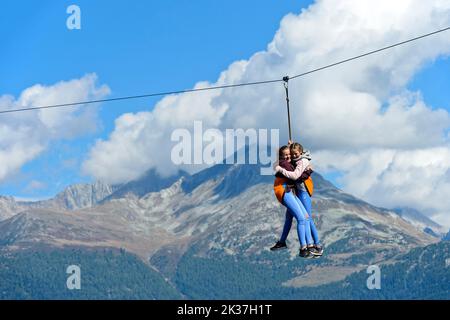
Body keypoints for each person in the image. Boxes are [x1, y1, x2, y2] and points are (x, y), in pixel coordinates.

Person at [273, 142, 323, 256]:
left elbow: (297, 172)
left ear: (300, 152)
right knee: (300, 218)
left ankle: (313, 245)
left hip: (298, 192)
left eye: (290, 154)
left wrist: (308, 171)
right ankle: (307, 245)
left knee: (301, 218)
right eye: (287, 155)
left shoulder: (299, 161)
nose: (290, 156)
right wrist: (309, 171)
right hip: (292, 192)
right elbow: (296, 175)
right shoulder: (287, 163)